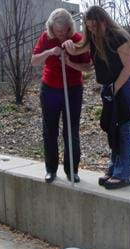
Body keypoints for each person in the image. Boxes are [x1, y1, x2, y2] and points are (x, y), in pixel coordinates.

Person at [63, 6, 130, 189]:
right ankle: (114, 169)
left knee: (123, 129)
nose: (91, 30)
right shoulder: (94, 39)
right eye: (88, 27)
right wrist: (68, 47)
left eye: (94, 26)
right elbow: (77, 49)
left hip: (126, 86)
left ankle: (123, 175)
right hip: (111, 88)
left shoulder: (119, 37)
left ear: (103, 22)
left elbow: (129, 67)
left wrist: (114, 88)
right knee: (112, 129)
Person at [31, 8, 91, 183]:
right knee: (50, 130)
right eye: (58, 31)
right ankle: (51, 169)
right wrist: (50, 52)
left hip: (72, 90)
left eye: (64, 31)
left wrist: (70, 61)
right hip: (50, 89)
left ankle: (72, 170)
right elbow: (34, 60)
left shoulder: (77, 39)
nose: (61, 34)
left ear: (69, 27)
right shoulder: (46, 38)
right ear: (51, 28)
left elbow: (87, 67)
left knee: (71, 131)